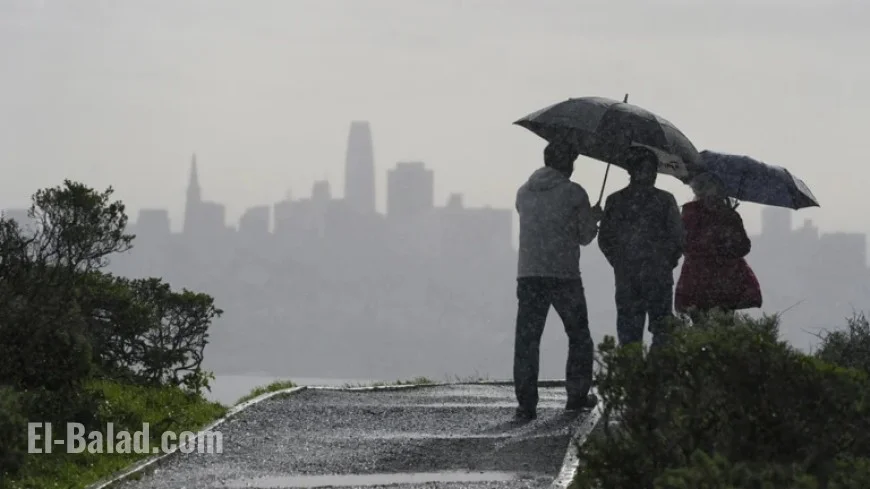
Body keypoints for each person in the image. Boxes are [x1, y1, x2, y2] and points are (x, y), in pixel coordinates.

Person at [513, 140, 603, 421]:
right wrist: (594, 218)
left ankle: (526, 404)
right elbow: (584, 237)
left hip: (529, 273)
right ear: (567, 163)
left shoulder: (523, 192)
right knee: (578, 335)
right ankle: (576, 396)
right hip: (564, 275)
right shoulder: (574, 192)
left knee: (527, 340)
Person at [597, 146, 684, 348]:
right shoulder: (663, 200)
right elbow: (678, 238)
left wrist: (620, 262)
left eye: (652, 170)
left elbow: (606, 240)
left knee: (635, 334)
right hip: (651, 276)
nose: (651, 174)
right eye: (646, 169)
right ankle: (656, 367)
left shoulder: (617, 200)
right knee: (658, 331)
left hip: (635, 276)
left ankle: (637, 368)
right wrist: (666, 261)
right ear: (632, 171)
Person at [675, 172, 762, 321]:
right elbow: (684, 243)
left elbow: (743, 246)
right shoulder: (700, 215)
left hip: (705, 279)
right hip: (717, 279)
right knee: (718, 323)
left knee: (708, 323)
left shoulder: (694, 215)